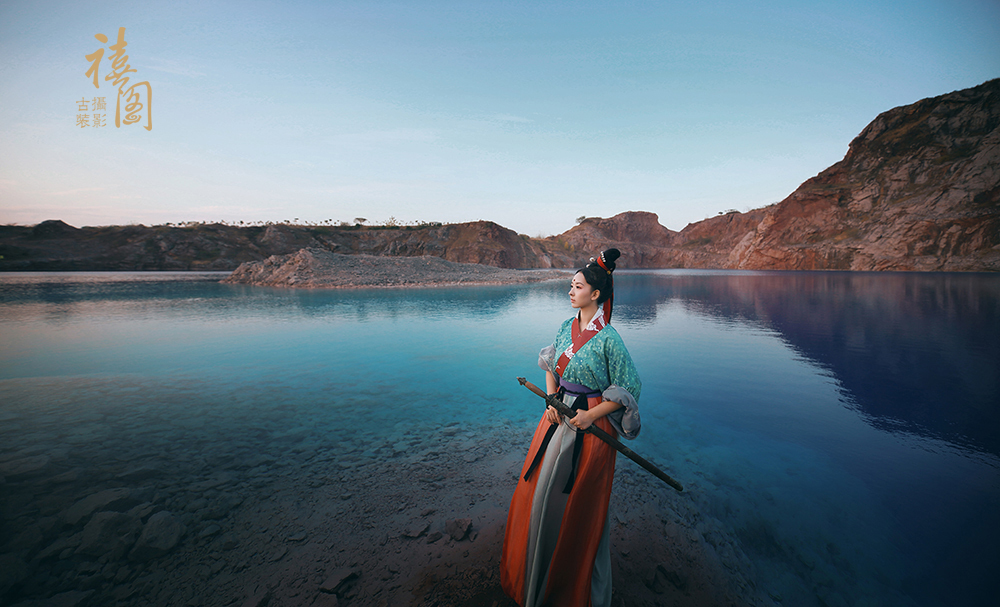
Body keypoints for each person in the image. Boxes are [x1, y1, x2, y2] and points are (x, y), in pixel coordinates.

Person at [501, 248, 642, 607]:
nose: (570, 291)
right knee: (541, 490)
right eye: (570, 285)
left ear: (595, 294)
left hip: (590, 426)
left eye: (577, 286)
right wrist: (551, 400)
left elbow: (629, 389)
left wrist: (592, 416)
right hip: (558, 415)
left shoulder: (610, 338)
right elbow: (550, 365)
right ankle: (536, 571)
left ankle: (570, 582)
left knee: (579, 500)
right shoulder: (567, 327)